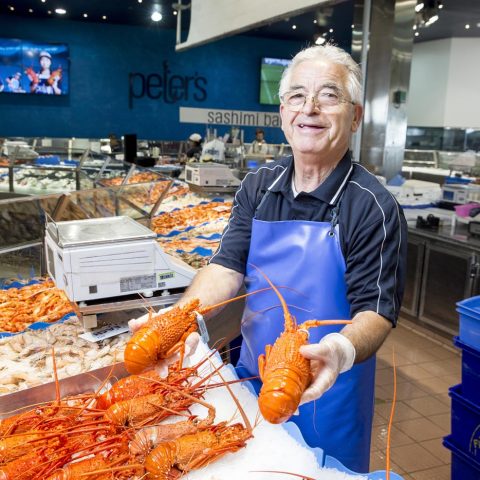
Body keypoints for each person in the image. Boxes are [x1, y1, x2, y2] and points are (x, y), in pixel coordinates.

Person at [130, 44, 407, 473]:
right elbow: (225, 267)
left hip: (328, 394)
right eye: (297, 95)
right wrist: (179, 318)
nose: (310, 108)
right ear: (282, 114)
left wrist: (338, 350)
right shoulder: (259, 185)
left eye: (329, 95)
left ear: (354, 117)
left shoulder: (372, 205)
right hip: (251, 379)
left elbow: (376, 312)